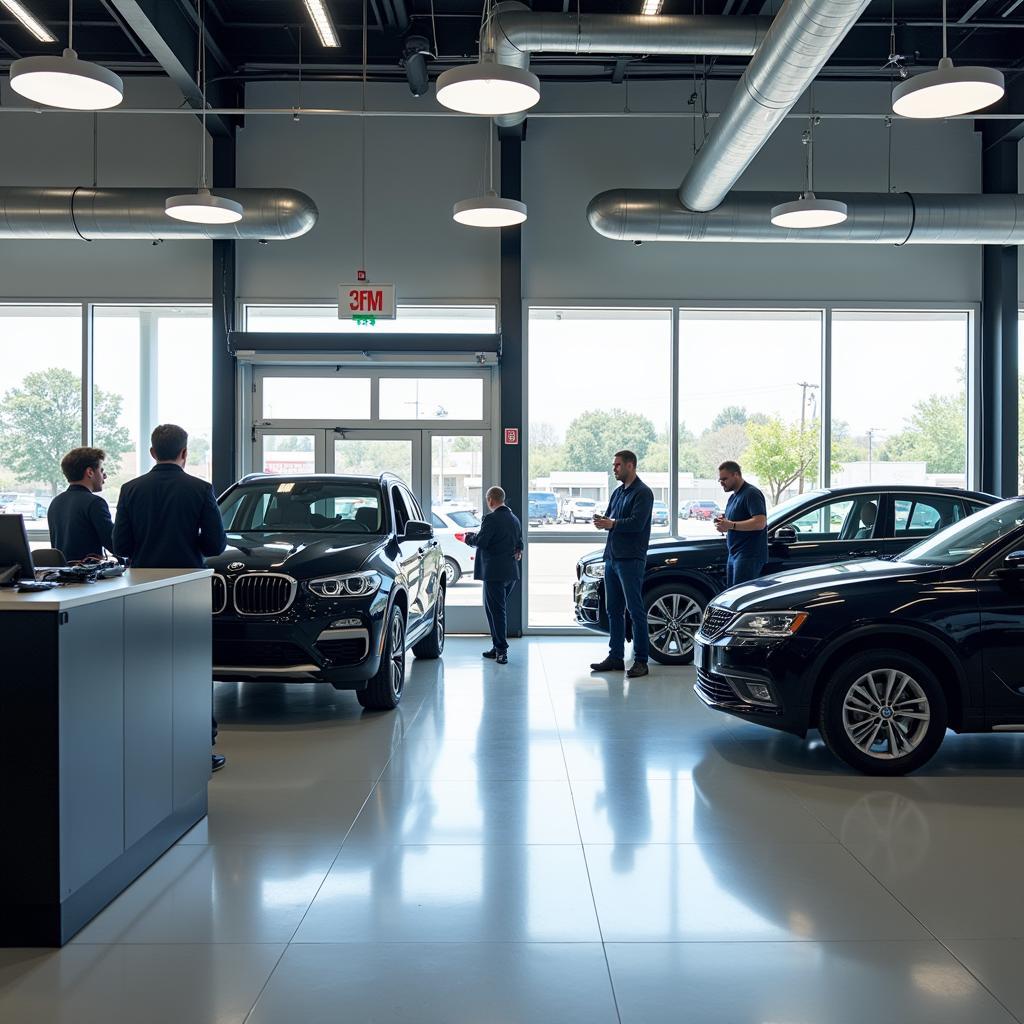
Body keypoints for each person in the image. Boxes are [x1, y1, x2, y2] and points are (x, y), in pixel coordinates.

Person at [113, 424, 228, 771]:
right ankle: (197, 748)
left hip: (142, 589)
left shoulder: (130, 489)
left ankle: (147, 747)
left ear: (152, 453)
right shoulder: (199, 489)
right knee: (190, 669)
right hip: (188, 588)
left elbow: (121, 546)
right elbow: (215, 545)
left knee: (146, 669)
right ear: (185, 453)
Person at [590, 450, 654, 678]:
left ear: (630, 465)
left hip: (631, 559)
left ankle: (641, 661)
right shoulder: (618, 492)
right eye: (614, 465)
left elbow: (637, 523)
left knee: (635, 611)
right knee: (613, 610)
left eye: (617, 465)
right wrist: (603, 521)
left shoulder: (643, 493)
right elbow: (611, 518)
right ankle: (616, 657)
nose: (614, 468)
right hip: (612, 558)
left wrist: (613, 523)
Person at [465, 486, 523, 665]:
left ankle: (501, 651)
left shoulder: (491, 518)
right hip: (510, 574)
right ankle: (496, 646)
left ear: (490, 500)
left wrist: (468, 538)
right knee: (495, 610)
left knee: (496, 612)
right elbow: (519, 542)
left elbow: (482, 541)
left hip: (494, 574)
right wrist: (519, 550)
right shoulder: (514, 519)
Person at [46, 446, 114, 563]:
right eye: (101, 470)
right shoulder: (95, 503)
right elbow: (113, 543)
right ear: (90, 472)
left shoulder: (56, 502)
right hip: (87, 574)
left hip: (63, 575)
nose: (105, 476)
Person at [715, 460, 768, 586]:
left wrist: (731, 525)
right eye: (720, 480)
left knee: (741, 597)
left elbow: (760, 522)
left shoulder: (751, 493)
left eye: (725, 479)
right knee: (732, 594)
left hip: (749, 555)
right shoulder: (733, 497)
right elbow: (734, 522)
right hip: (734, 553)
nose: (722, 483)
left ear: (736, 475)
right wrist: (724, 523)